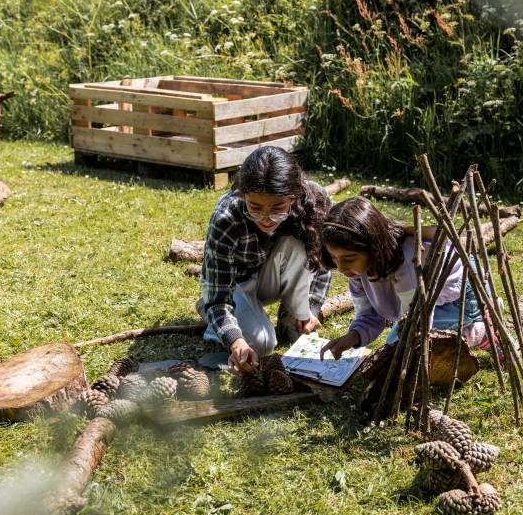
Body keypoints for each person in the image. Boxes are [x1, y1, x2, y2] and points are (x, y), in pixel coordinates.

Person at [198, 146, 331, 374]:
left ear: (294, 195)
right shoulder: (226, 217)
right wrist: (235, 341)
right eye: (255, 207)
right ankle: (208, 312)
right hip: (239, 286)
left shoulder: (315, 200)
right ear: (243, 195)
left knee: (300, 242)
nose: (266, 219)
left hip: (279, 277)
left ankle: (293, 318)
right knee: (261, 345)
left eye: (278, 208)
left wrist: (313, 306)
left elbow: (324, 260)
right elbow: (219, 295)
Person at [319, 196, 497, 360]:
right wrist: (353, 336)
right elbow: (369, 315)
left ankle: (479, 331)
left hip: (462, 300)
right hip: (424, 305)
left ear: (374, 249)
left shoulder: (409, 259)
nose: (341, 268)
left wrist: (399, 350)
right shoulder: (357, 268)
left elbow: (416, 323)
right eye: (335, 258)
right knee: (396, 347)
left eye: (348, 259)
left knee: (396, 347)